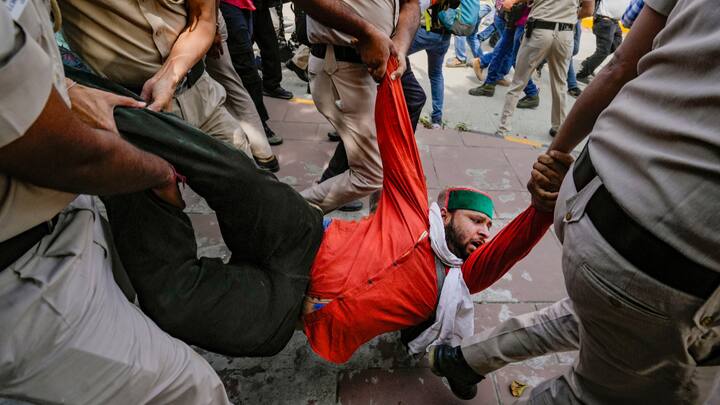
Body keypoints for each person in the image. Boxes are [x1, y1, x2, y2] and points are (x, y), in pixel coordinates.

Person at [69, 53, 570, 383]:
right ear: (446, 211)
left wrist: (544, 208)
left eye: (488, 230)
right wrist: (388, 71)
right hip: (301, 238)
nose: (486, 234)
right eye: (478, 222)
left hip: (287, 312)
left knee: (174, 303)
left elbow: (514, 246)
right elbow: (398, 143)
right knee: (240, 177)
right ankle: (99, 106)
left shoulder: (459, 282)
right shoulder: (415, 208)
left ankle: (145, 180)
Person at [429, 1, 720, 403]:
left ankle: (463, 359)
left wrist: (554, 158)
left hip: (593, 193)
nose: (482, 232)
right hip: (666, 254)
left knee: (600, 314)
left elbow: (619, 66)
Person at [0, 1, 229, 403]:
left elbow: (203, 20)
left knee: (249, 183)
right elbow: (63, 152)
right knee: (193, 388)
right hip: (31, 266)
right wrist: (156, 170)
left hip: (192, 100)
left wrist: (170, 74)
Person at [58, 0, 264, 156]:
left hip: (200, 95)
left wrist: (170, 75)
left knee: (252, 187)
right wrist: (71, 91)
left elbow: (204, 18)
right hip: (127, 114)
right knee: (149, 205)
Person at [299, 0, 420, 212]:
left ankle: (381, 225)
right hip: (342, 65)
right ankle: (279, 212)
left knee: (386, 155)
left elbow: (411, 4)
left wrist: (400, 44)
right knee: (371, 174)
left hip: (379, 65)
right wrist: (366, 32)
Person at [495, 0, 594, 137]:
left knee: (518, 82)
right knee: (560, 84)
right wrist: (566, 16)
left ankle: (503, 128)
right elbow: (588, 10)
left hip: (539, 30)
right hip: (565, 34)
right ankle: (558, 128)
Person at [206, 11, 281, 171]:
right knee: (231, 86)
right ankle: (263, 156)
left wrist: (214, 26)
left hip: (209, 22)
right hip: (209, 22)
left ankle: (260, 157)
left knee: (231, 85)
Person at [219, 0, 284, 146]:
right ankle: (258, 123)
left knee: (244, 65)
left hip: (247, 5)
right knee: (245, 67)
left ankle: (253, 122)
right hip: (227, 6)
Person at [468, 2, 540, 109]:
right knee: (500, 51)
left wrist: (513, 1)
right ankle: (489, 84)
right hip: (514, 17)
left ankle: (532, 93)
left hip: (525, 21)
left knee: (516, 59)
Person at [576, 0, 629, 83]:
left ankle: (588, 64)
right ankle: (582, 74)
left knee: (616, 45)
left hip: (615, 22)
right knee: (603, 51)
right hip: (605, 20)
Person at [253, 0, 295, 99]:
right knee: (242, 50)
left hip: (259, 6)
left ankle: (271, 85)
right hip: (240, 7)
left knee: (270, 43)